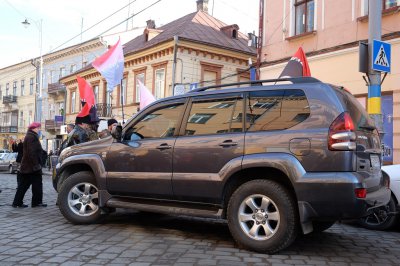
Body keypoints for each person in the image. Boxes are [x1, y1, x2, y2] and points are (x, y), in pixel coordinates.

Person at [12, 122, 47, 208]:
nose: (39, 129)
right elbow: (32, 152)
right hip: (32, 166)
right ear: (34, 128)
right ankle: (37, 203)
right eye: (38, 128)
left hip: (27, 166)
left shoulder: (30, 136)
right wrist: (36, 165)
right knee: (37, 185)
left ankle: (17, 202)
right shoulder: (32, 137)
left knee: (23, 185)